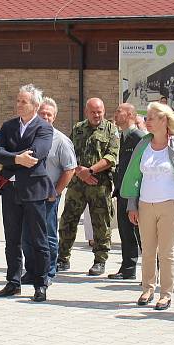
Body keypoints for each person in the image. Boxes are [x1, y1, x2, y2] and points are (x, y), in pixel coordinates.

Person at [121, 102, 174, 310]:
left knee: (166, 252)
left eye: (152, 117)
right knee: (147, 250)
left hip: (171, 206)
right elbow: (134, 176)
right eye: (147, 118)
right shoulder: (143, 144)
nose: (147, 121)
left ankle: (166, 293)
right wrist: (132, 204)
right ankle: (147, 289)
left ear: (164, 120)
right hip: (145, 204)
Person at [0, 84, 54, 302]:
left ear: (35, 105)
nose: (18, 104)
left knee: (38, 239)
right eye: (18, 100)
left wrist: (12, 158)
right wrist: (18, 158)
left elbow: (37, 154)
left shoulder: (44, 127)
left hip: (34, 190)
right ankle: (13, 281)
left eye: (23, 101)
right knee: (12, 239)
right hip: (10, 189)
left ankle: (41, 282)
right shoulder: (8, 126)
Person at [57, 98, 119, 276]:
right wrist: (79, 171)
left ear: (104, 111)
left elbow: (112, 156)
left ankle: (100, 261)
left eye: (99, 111)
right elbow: (68, 153)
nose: (97, 115)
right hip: (77, 184)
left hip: (99, 185)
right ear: (86, 112)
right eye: (93, 112)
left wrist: (90, 171)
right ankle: (63, 258)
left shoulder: (111, 130)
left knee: (101, 223)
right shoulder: (78, 129)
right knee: (68, 220)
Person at [22, 97, 76, 284]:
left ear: (54, 117)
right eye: (42, 113)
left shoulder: (61, 140)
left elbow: (70, 169)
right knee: (27, 235)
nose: (45, 117)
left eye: (49, 114)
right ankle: (31, 270)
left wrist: (56, 192)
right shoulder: (28, 136)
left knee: (48, 235)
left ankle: (49, 271)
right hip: (28, 195)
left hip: (48, 197)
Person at [108, 102, 146, 280]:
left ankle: (150, 272)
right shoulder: (121, 136)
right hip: (123, 191)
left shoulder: (138, 136)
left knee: (141, 234)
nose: (115, 114)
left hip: (136, 193)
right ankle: (128, 268)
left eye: (119, 111)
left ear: (130, 114)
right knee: (125, 231)